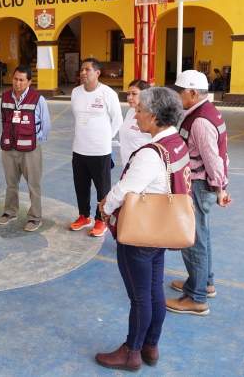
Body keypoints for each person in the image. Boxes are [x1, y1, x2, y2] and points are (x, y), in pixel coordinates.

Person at [95, 87, 190, 371]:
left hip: (140, 234)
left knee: (140, 297)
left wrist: (105, 206)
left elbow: (126, 189)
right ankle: (151, 345)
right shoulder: (177, 143)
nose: (135, 113)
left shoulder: (151, 154)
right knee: (153, 292)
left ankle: (131, 351)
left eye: (139, 110)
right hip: (159, 230)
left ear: (154, 115)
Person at [167, 70, 231, 316]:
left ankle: (196, 297)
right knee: (202, 237)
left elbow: (213, 159)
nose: (177, 96)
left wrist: (220, 188)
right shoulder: (203, 112)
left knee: (193, 241)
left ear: (193, 93)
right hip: (203, 185)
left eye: (180, 92)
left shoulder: (201, 121)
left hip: (198, 185)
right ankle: (204, 282)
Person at [69, 58, 123, 237]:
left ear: (97, 73)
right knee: (81, 186)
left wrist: (105, 139)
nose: (83, 72)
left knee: (103, 189)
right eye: (81, 69)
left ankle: (101, 220)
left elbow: (117, 120)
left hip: (100, 151)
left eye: (87, 69)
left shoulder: (108, 94)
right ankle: (83, 216)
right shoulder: (75, 92)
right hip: (79, 149)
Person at [0, 65, 51, 231]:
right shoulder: (5, 97)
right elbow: (4, 119)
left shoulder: (38, 99)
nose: (17, 83)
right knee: (11, 183)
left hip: (30, 150)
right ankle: (10, 212)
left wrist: (35, 138)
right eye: (15, 79)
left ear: (29, 82)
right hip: (9, 148)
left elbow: (46, 124)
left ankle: (35, 217)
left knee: (33, 184)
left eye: (21, 80)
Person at [118, 80, 152, 168]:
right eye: (128, 94)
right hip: (127, 166)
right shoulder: (130, 111)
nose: (129, 97)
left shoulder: (152, 116)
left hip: (143, 167)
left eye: (134, 94)